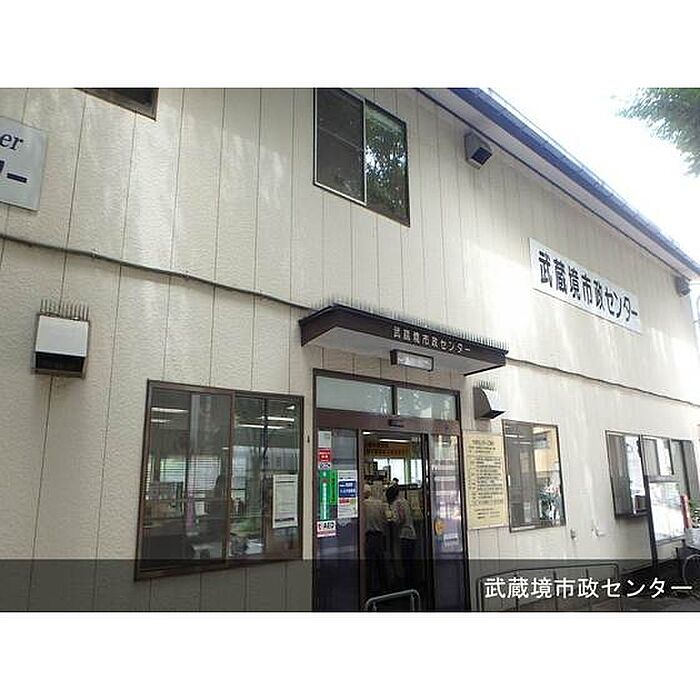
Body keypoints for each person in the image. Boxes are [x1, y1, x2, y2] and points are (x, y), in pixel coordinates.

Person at [386, 483, 417, 590]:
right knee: (410, 562)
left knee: (406, 563)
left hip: (405, 535)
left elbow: (400, 519)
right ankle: (412, 586)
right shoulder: (405, 501)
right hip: (412, 534)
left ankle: (408, 588)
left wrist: (391, 519)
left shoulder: (396, 503)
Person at [363, 483, 387, 597]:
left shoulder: (363, 504)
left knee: (369, 566)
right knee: (381, 564)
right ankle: (384, 590)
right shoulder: (380, 503)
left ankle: (368, 592)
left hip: (369, 537)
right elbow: (384, 519)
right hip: (379, 536)